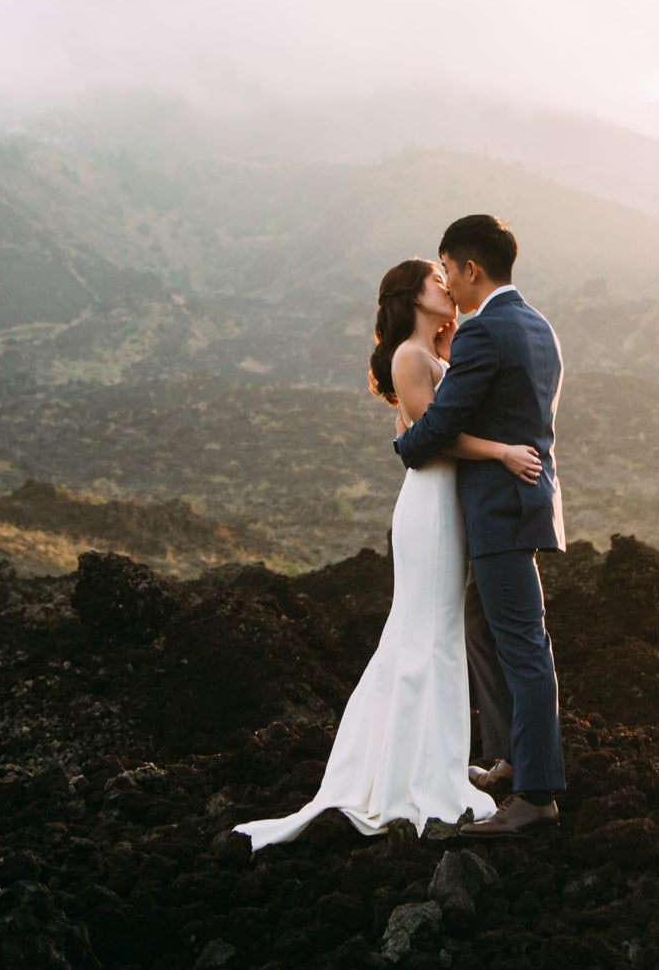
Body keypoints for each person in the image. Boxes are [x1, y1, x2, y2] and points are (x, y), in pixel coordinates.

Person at [232, 257, 544, 847]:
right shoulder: (407, 355)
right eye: (436, 280)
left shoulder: (431, 352)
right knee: (425, 633)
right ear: (412, 295)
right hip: (430, 508)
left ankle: (430, 761)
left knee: (437, 633)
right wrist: (502, 452)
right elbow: (435, 436)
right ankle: (409, 771)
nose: (446, 285)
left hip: (448, 505)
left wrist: (449, 348)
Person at [395, 213, 566, 838]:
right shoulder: (538, 325)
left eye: (448, 268)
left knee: (523, 646)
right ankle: (510, 758)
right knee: (484, 627)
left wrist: (406, 444)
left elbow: (441, 424)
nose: (447, 281)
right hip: (524, 503)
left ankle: (536, 796)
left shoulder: (483, 332)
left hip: (499, 511)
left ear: (471, 268)